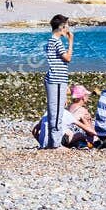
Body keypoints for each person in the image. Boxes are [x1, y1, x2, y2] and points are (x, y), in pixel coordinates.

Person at [41, 15, 73, 150]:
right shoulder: (57, 42)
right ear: (62, 27)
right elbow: (67, 58)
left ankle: (51, 142)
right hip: (57, 79)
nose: (68, 28)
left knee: (53, 110)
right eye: (66, 25)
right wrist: (71, 42)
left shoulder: (50, 41)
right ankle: (55, 143)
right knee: (57, 111)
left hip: (54, 79)